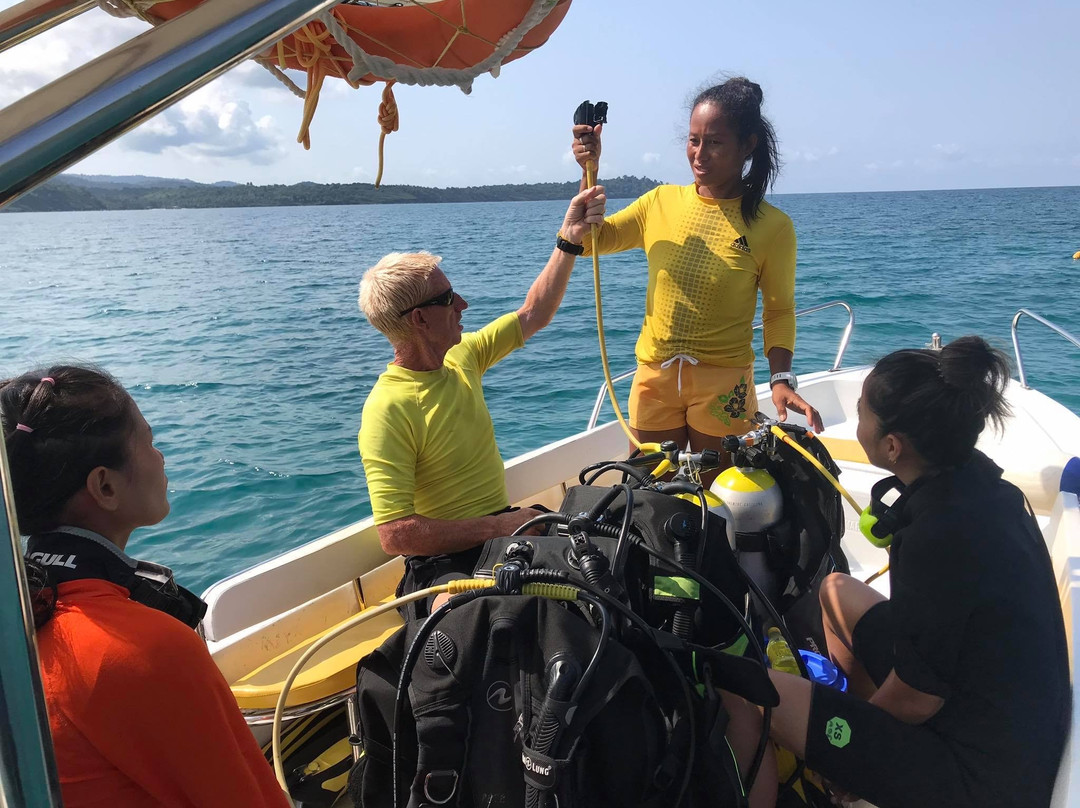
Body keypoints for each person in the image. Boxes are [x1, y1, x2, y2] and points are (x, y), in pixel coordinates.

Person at [763, 336, 1070, 807]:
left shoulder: (937, 538)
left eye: (862, 413)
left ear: (892, 446)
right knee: (836, 591)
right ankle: (867, 755)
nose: (857, 422)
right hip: (997, 709)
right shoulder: (983, 485)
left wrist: (855, 756)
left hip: (982, 779)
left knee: (754, 692)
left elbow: (917, 697)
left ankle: (853, 772)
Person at [0, 366, 290, 808]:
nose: (162, 458)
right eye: (150, 442)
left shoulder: (20, 614)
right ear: (105, 486)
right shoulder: (140, 649)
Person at [357, 186, 606, 591]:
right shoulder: (389, 408)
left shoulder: (462, 356)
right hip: (444, 562)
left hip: (506, 532)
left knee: (608, 562)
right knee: (477, 615)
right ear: (419, 320)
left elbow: (534, 313)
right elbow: (396, 535)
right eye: (447, 298)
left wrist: (569, 238)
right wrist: (498, 526)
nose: (463, 304)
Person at [572, 77, 822, 476]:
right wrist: (589, 170)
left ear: (747, 145)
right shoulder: (660, 202)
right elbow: (588, 242)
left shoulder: (772, 227)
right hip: (654, 379)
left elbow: (779, 310)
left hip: (724, 385)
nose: (699, 154)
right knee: (649, 492)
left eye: (715, 142)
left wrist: (780, 379)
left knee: (721, 493)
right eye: (693, 140)